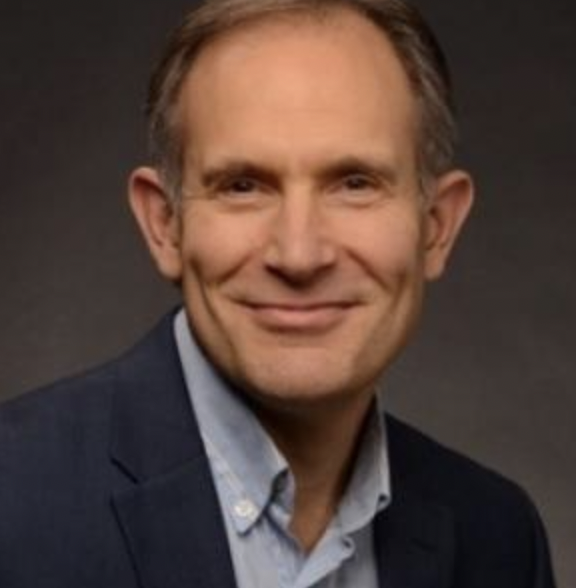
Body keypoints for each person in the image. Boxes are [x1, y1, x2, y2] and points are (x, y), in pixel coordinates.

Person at [0, 0, 556, 586]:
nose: (299, 254)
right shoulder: (13, 498)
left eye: (355, 183)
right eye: (242, 186)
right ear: (164, 225)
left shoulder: (498, 539)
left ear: (436, 228)